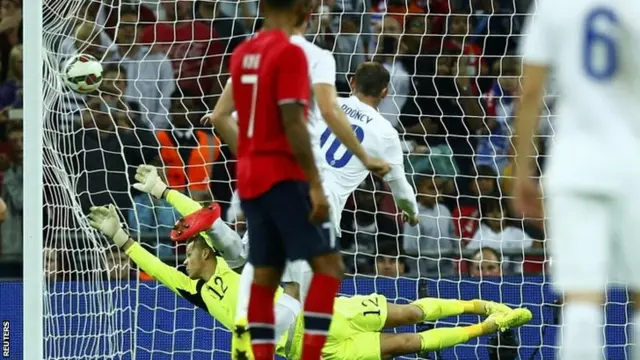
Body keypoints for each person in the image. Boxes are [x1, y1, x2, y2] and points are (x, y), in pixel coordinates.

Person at [88, 203, 532, 360]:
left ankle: (482, 306)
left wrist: (167, 193)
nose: (182, 260)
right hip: (313, 350)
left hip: (326, 314)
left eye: (188, 251)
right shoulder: (199, 291)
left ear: (204, 253)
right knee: (403, 345)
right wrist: (123, 240)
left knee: (409, 314)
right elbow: (163, 272)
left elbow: (207, 221)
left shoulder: (226, 263)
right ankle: (492, 327)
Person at [512, 1, 640, 359]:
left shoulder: (554, 5)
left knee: (581, 298)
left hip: (573, 166)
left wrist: (521, 171)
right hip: (633, 163)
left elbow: (531, 93)